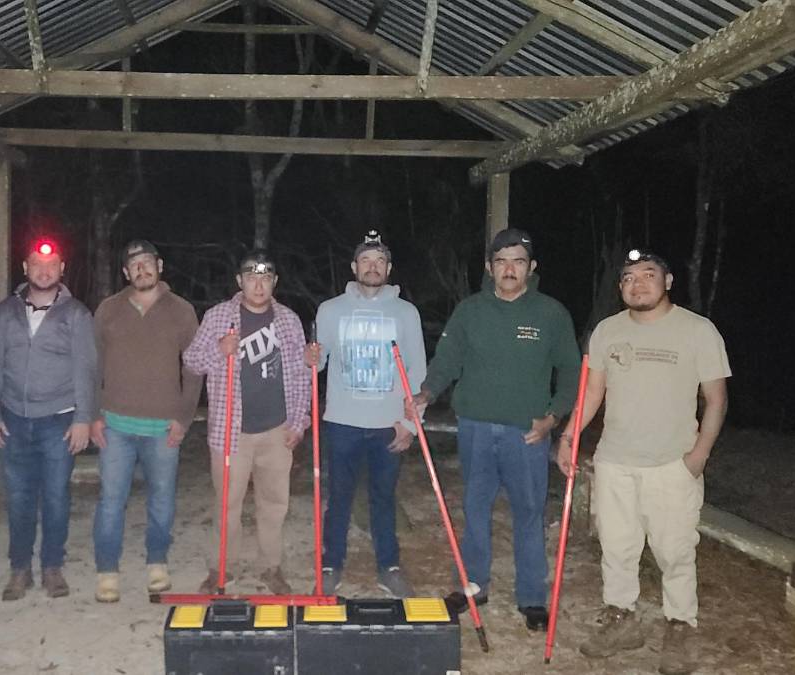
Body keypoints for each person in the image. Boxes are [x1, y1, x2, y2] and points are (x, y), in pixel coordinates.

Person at [557, 249, 729, 675]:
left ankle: (680, 625)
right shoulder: (607, 331)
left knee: (674, 552)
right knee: (616, 547)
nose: (638, 284)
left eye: (648, 275)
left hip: (672, 463)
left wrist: (698, 455)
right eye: (629, 278)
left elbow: (716, 399)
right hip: (615, 461)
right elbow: (592, 393)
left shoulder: (697, 330)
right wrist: (568, 435)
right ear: (621, 287)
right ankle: (622, 617)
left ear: (667, 281)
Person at [411, 228, 580, 631]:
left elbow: (572, 371)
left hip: (529, 433)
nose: (509, 268)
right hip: (476, 429)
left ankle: (532, 598)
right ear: (489, 267)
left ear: (531, 268)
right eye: (501, 261)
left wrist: (554, 416)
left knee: (528, 513)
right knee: (475, 509)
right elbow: (447, 359)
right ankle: (473, 586)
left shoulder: (550, 313)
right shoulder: (470, 310)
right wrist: (427, 392)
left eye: (518, 261)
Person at [183, 249, 310, 595]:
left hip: (276, 430)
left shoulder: (289, 320)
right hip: (230, 432)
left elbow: (301, 375)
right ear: (240, 281)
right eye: (252, 278)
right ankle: (221, 568)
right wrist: (219, 350)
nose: (259, 284)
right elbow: (192, 361)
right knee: (227, 505)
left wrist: (299, 423)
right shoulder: (218, 316)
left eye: (266, 278)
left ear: (274, 282)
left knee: (274, 504)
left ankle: (270, 567)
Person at [305, 230, 425, 597]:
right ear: (354, 266)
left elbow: (417, 372)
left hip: (387, 424)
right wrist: (311, 357)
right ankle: (330, 564)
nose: (372, 267)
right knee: (338, 499)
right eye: (366, 261)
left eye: (380, 262)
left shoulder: (405, 312)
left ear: (388, 268)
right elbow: (319, 360)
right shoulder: (330, 310)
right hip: (342, 421)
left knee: (383, 499)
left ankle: (388, 567)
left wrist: (410, 425)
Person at [0, 238, 97, 602]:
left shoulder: (77, 313)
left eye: (52, 265)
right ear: (25, 268)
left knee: (56, 497)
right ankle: (20, 569)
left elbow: (86, 370)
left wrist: (83, 418)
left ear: (61, 269)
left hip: (58, 421)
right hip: (14, 419)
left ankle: (52, 567)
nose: (44, 271)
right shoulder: (5, 313)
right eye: (36, 264)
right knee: (18, 498)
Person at [90, 240, 202, 603]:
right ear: (126, 272)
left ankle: (157, 562)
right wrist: (93, 415)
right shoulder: (108, 310)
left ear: (160, 265)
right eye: (134, 264)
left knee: (162, 500)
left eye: (147, 262)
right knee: (110, 500)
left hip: (162, 428)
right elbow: (93, 367)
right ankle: (107, 570)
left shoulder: (182, 311)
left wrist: (184, 417)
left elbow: (195, 368)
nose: (142, 269)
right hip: (116, 426)